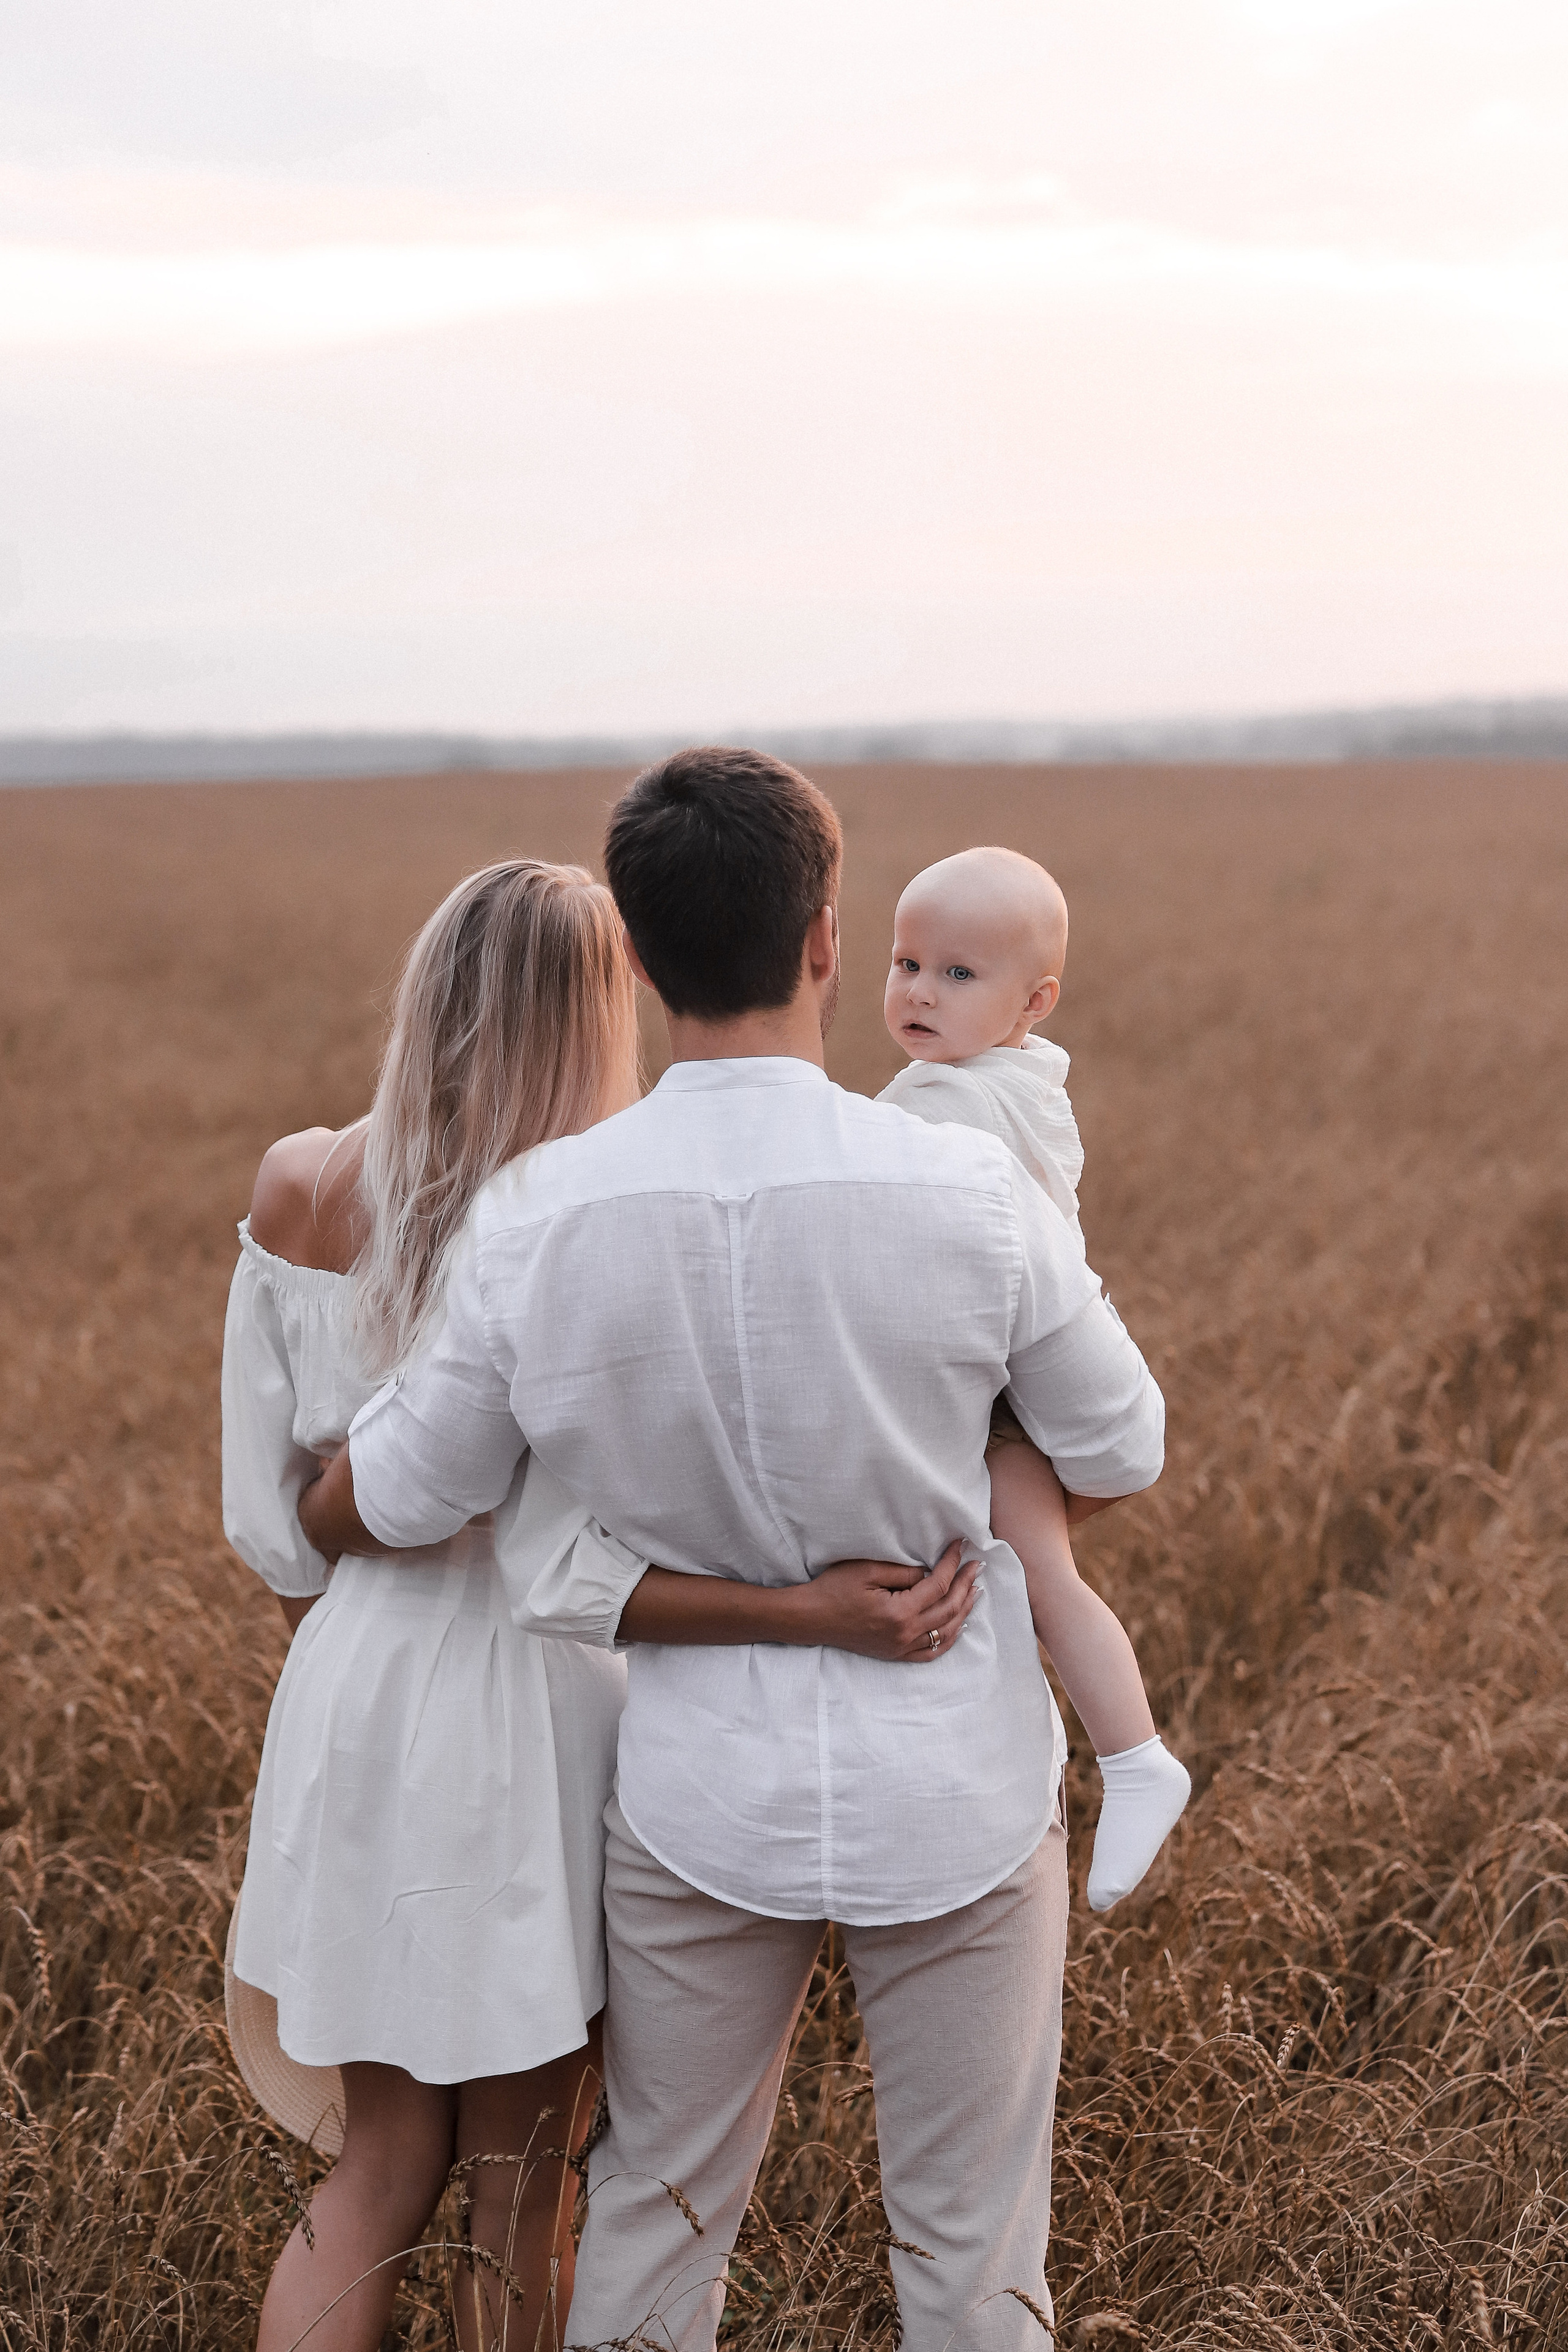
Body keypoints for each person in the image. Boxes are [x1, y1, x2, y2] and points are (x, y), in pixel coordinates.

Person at [299, 748, 1166, 2352]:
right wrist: (970, 1508)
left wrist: (317, 1497)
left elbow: (410, 1496)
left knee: (657, 2222)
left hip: (701, 1806)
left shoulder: (545, 1216)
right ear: (830, 939)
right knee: (973, 2261)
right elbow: (1120, 1445)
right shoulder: (968, 1184)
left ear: (634, 949)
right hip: (959, 1793)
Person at [223, 857, 972, 2352]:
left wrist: (346, 1516)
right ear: (606, 1005)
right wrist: (817, 1609)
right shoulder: (605, 1202)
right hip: (555, 1708)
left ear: (432, 982)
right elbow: (585, 1563)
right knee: (516, 2185)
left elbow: (281, 1529)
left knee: (378, 2164)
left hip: (362, 1688)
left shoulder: (304, 1180)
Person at [880, 845, 1190, 1910]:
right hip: (1008, 1373)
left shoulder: (947, 1105)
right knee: (1023, 1578)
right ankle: (1109, 1755)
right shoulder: (1006, 1080)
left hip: (1004, 1396)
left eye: (958, 975)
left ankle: (1136, 1755)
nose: (919, 990)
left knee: (1044, 1580)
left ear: (1035, 1002)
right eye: (906, 962)